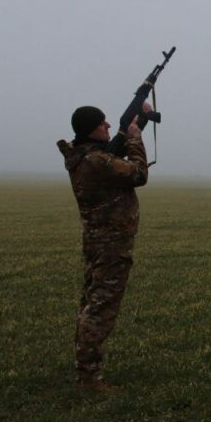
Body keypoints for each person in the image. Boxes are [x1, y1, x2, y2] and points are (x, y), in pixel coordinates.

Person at [56, 103, 150, 391]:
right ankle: (88, 377)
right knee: (100, 308)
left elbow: (114, 156)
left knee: (92, 304)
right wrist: (135, 138)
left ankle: (86, 369)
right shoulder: (96, 162)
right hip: (111, 245)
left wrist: (140, 119)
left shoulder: (86, 158)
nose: (108, 125)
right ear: (90, 129)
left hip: (99, 241)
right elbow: (137, 174)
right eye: (102, 123)